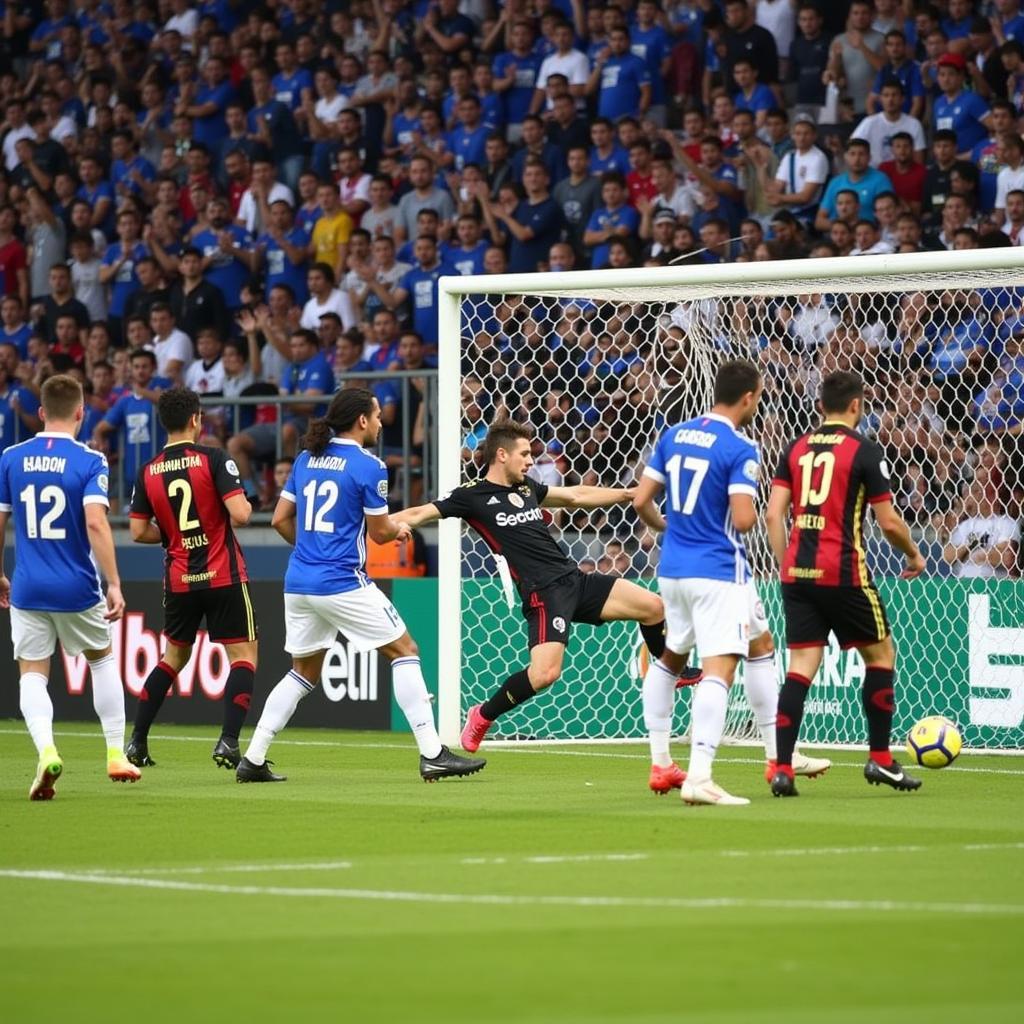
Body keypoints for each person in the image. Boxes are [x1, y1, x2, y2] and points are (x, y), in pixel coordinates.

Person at [238, 388, 485, 782]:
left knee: (302, 672)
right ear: (362, 421)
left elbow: (279, 520)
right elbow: (381, 532)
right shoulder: (369, 465)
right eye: (377, 414)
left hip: (299, 581)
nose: (382, 421)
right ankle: (433, 752)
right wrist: (401, 529)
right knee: (405, 650)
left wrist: (312, 551)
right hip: (341, 581)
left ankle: (252, 758)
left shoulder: (306, 458)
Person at [393, 419, 667, 754]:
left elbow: (576, 496)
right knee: (545, 673)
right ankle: (483, 714)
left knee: (653, 606)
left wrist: (627, 493)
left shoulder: (527, 489)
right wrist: (388, 525)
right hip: (543, 593)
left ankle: (669, 669)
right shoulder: (472, 496)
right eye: (524, 454)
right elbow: (422, 511)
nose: (530, 460)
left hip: (574, 580)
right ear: (501, 455)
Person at [765, 371, 927, 797]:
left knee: (800, 668)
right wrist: (913, 553)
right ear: (856, 405)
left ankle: (782, 767)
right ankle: (880, 759)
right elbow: (889, 522)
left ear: (822, 406)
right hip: (844, 573)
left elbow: (771, 515)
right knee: (882, 654)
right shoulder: (864, 450)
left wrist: (788, 566)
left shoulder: (796, 448)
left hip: (797, 576)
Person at [0, 374, 140, 800]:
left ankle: (46, 752)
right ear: (82, 412)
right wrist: (113, 582)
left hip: (28, 586)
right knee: (100, 660)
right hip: (76, 586)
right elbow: (97, 522)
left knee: (32, 674)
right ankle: (115, 752)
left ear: (41, 413)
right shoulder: (89, 461)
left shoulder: (11, 457)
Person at [632, 361, 766, 805]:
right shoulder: (741, 447)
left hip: (671, 569)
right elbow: (744, 519)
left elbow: (640, 501)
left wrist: (668, 528)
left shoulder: (674, 434)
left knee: (670, 659)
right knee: (720, 669)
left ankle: (660, 762)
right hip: (716, 571)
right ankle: (701, 776)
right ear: (748, 397)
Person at [125, 388, 257, 770]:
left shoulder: (147, 470)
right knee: (243, 656)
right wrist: (243, 504)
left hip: (180, 579)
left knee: (173, 658)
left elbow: (137, 531)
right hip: (224, 574)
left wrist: (173, 537)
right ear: (196, 419)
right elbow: (241, 515)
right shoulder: (213, 458)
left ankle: (136, 742)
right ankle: (228, 742)